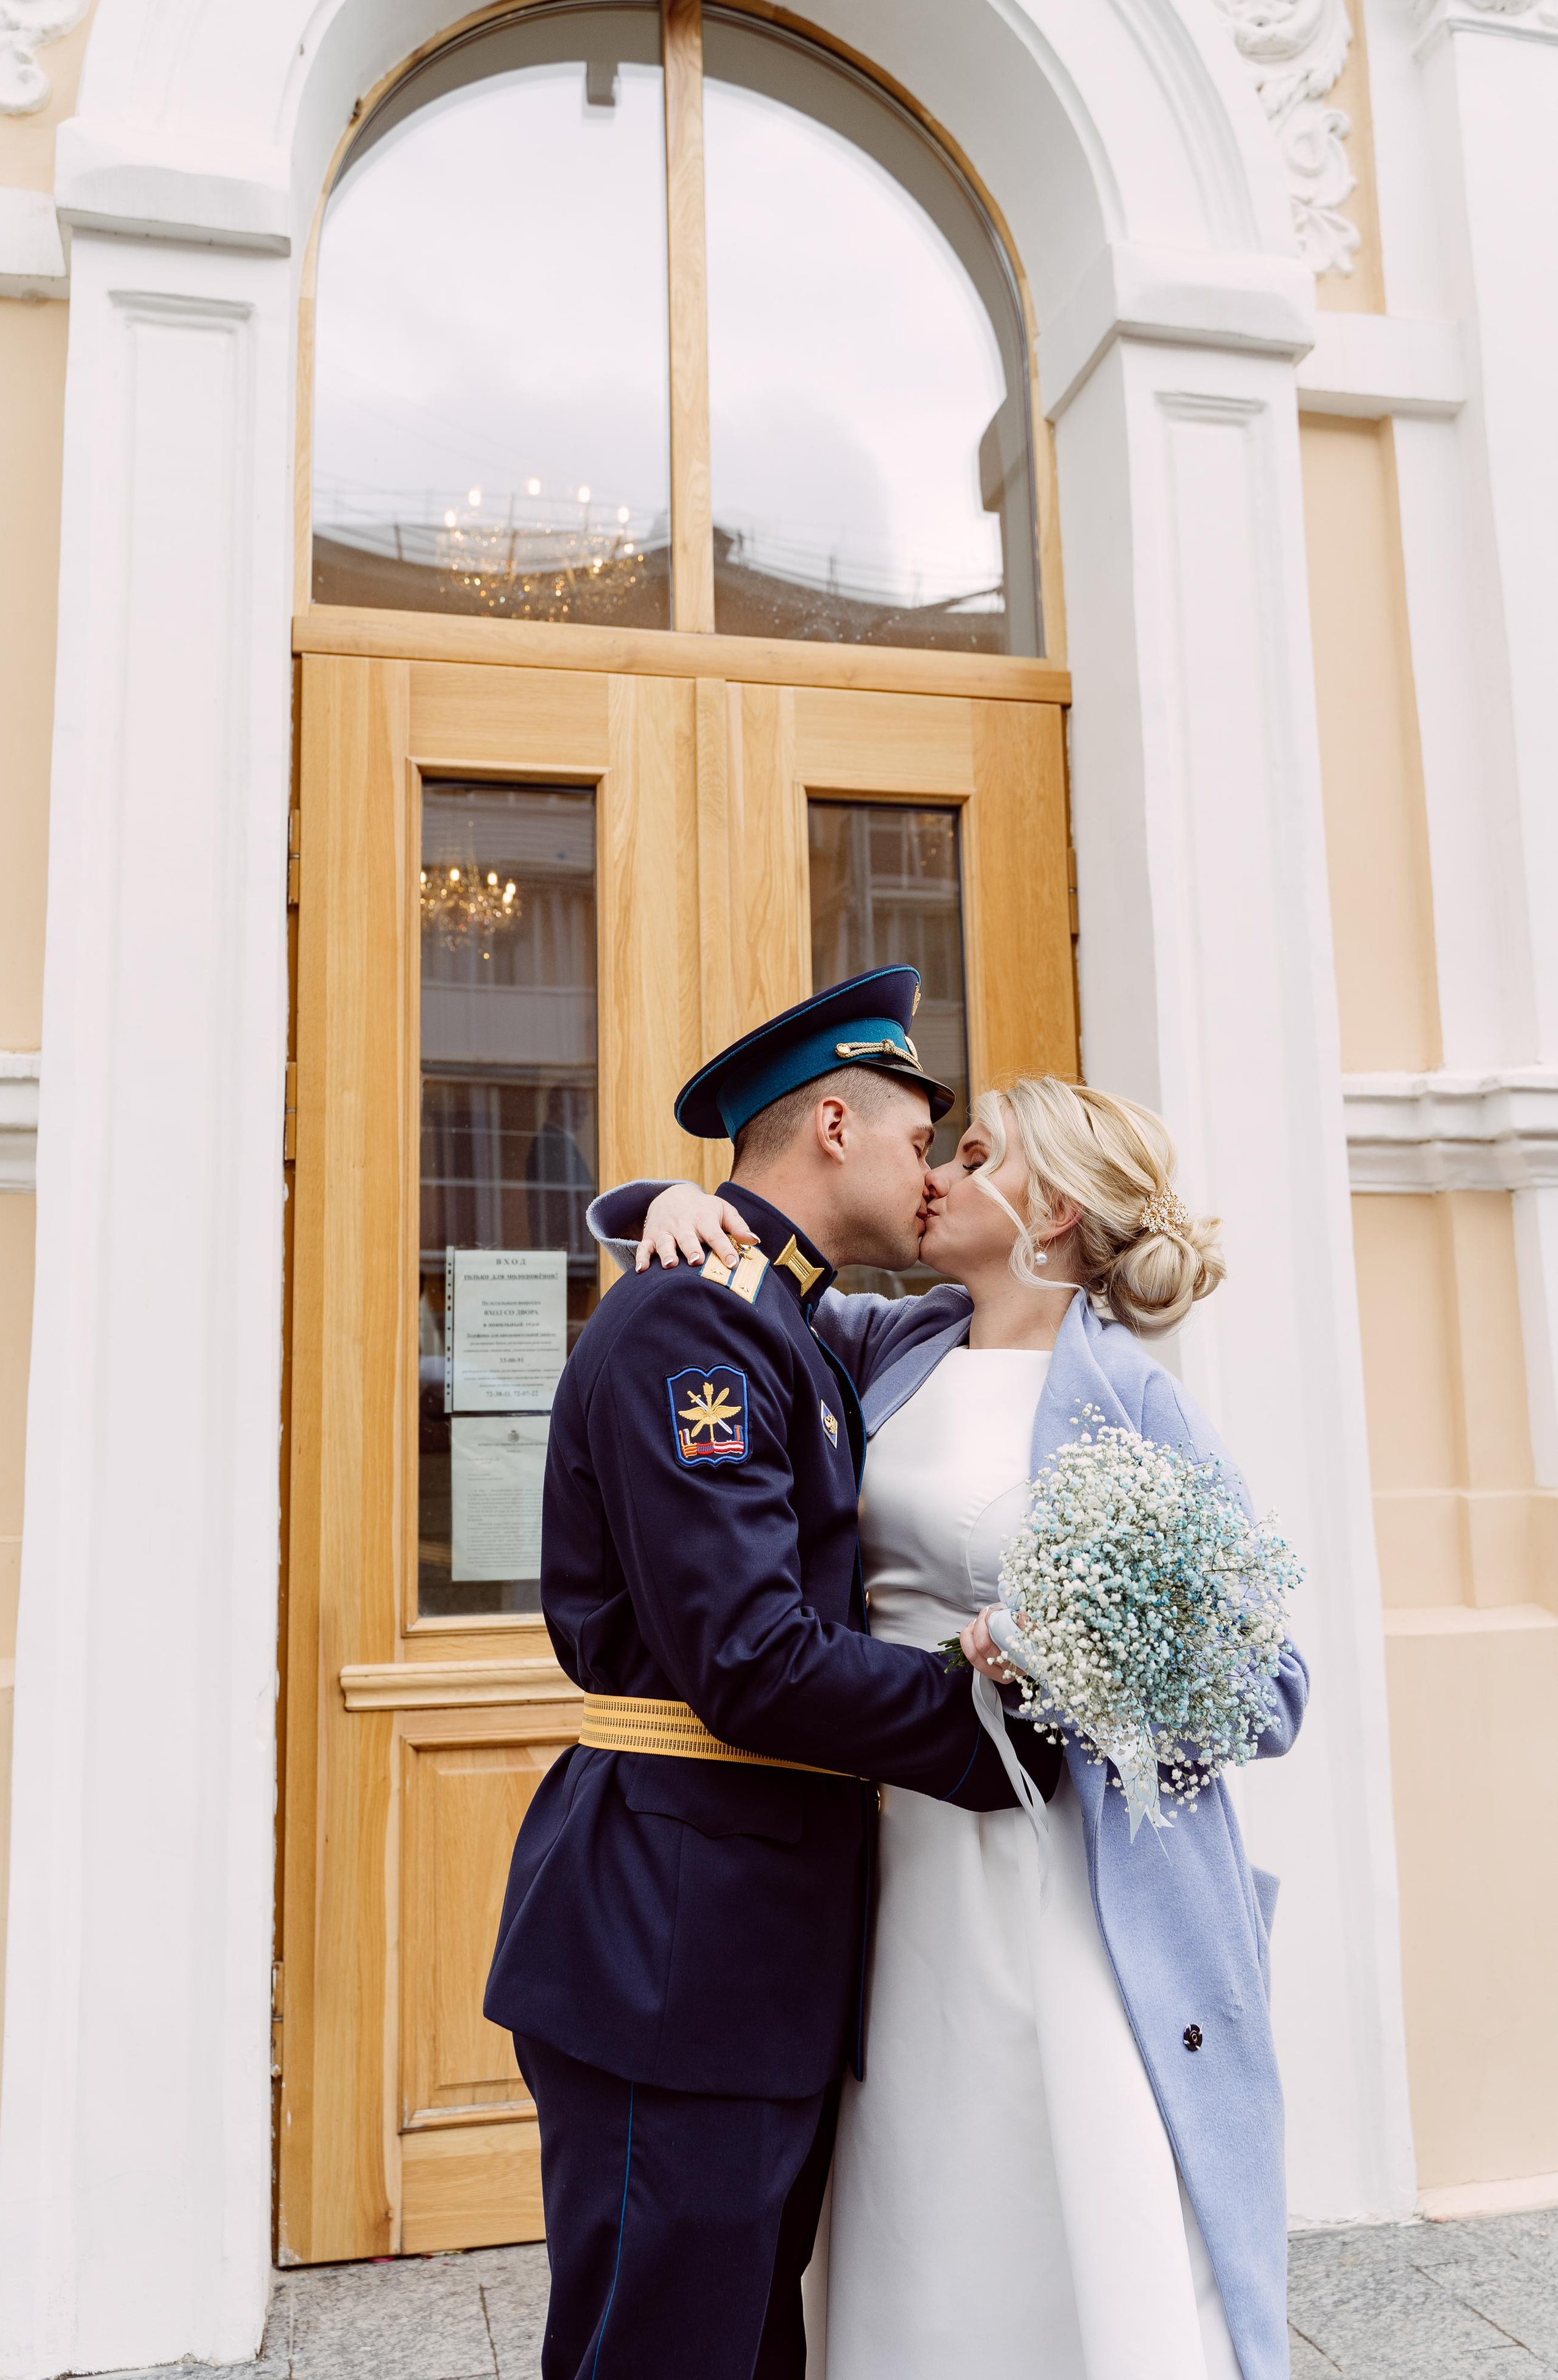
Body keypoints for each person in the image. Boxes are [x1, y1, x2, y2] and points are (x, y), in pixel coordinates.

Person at [594, 1060, 1309, 2380]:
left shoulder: (1132, 1404)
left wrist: (1049, 1652)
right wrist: (677, 1199)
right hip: (891, 1844)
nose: (932, 1176)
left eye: (969, 1155)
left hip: (1048, 1869)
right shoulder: (895, 1342)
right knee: (918, 2182)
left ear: (1046, 1212)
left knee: (1051, 2178)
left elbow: (1267, 1692)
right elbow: (769, 1297)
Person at [484, 967, 1060, 2380]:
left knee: (738, 2344)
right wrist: (999, 1730)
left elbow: (991, 1328)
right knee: (662, 2351)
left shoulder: (780, 1317)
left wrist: (643, 1200)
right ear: (832, 1125)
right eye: (918, 1137)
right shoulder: (698, 1325)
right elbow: (746, 1658)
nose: (928, 1172)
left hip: (744, 1939)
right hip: (673, 1934)